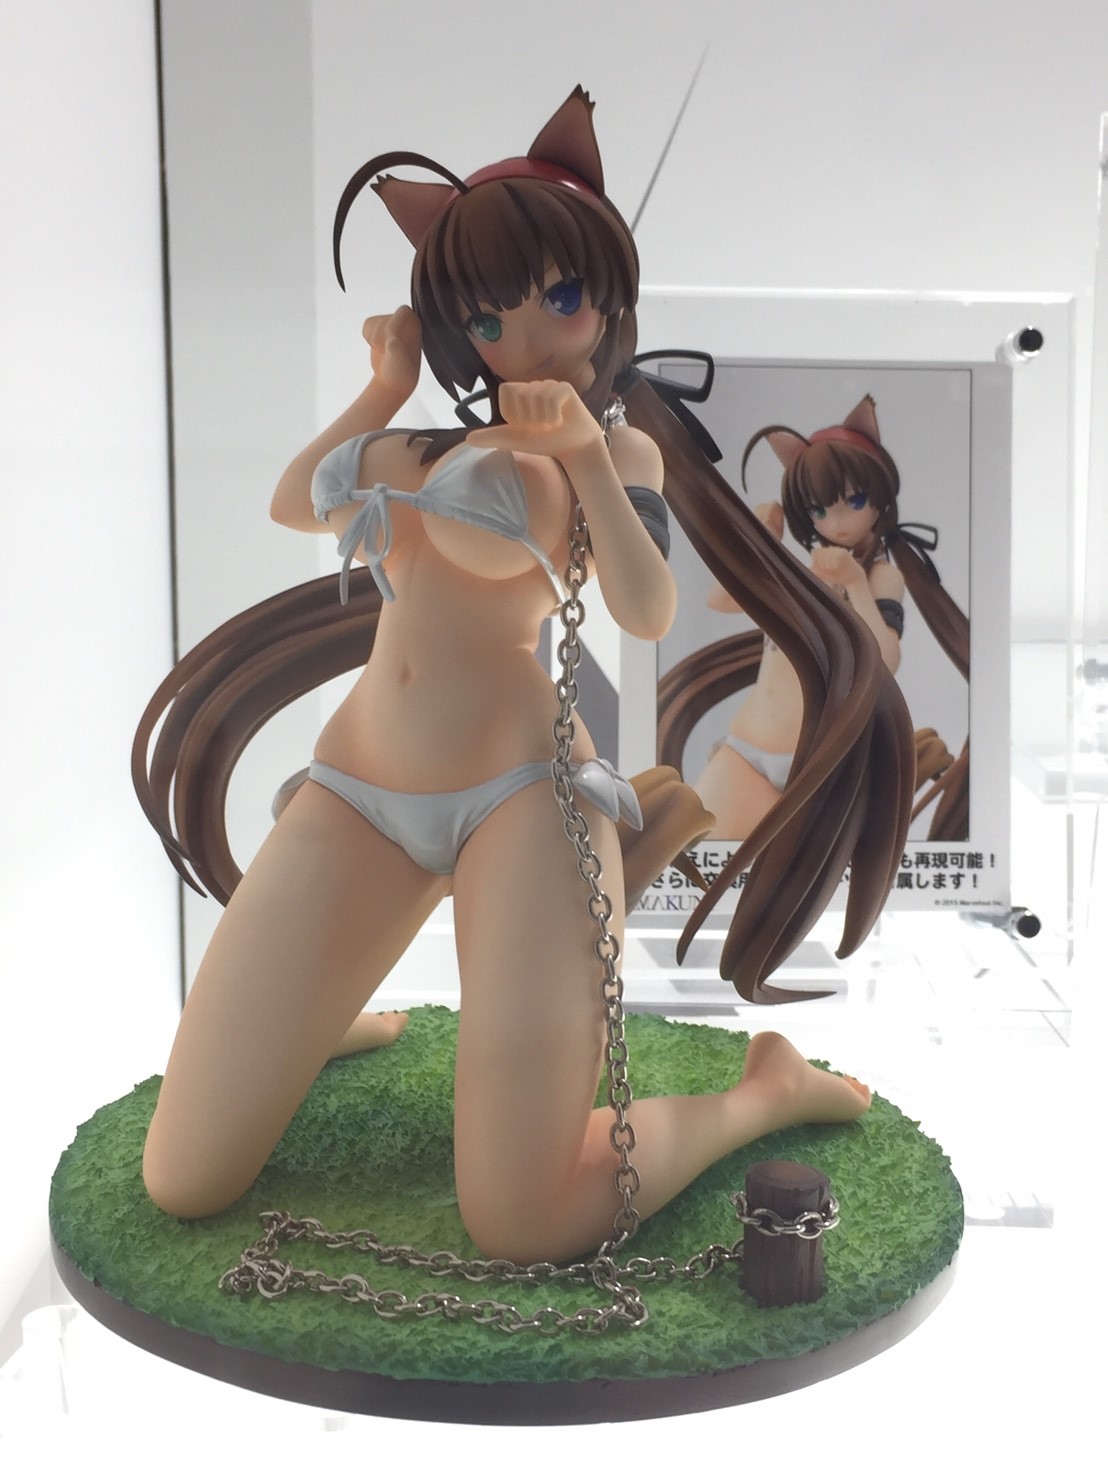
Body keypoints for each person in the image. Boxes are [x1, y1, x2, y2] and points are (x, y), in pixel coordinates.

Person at [138, 89, 905, 1264]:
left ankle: (761, 1091)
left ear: (605, 301)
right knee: (181, 1178)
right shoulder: (421, 440)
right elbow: (295, 500)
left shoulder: (618, 446)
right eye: (489, 313)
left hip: (520, 801)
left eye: (560, 297)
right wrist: (384, 383)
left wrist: (584, 451)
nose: (527, 333)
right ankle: (318, 1009)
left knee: (527, 1217)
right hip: (357, 785)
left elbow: (645, 607)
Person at [660, 396, 970, 843]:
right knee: (705, 860)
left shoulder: (882, 576)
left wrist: (855, 584)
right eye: (819, 510)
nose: (837, 522)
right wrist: (761, 541)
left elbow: (887, 660)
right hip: (747, 749)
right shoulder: (802, 572)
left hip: (823, 762)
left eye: (854, 501)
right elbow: (720, 599)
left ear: (879, 499)